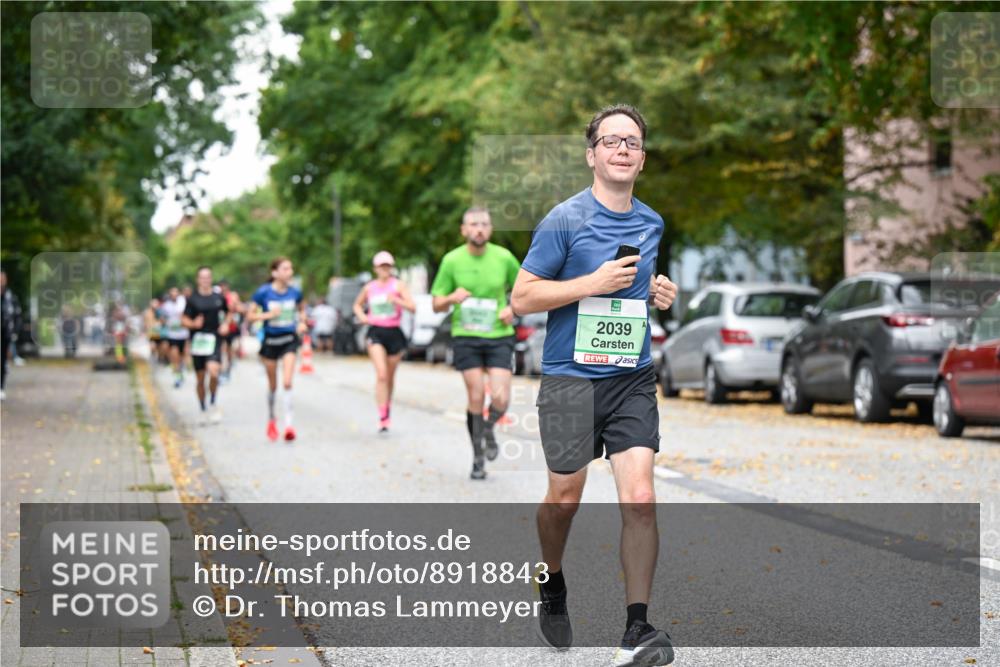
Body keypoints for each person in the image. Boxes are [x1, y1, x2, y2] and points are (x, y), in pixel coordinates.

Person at [510, 104, 679, 666]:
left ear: (643, 159)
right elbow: (523, 297)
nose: (622, 149)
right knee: (564, 499)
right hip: (569, 380)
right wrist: (590, 283)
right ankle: (551, 578)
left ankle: (637, 629)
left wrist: (657, 293)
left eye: (632, 142)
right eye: (611, 141)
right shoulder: (564, 219)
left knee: (641, 498)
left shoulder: (652, 222)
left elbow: (634, 289)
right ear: (591, 155)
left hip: (631, 378)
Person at [431, 207, 521, 480]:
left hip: (498, 334)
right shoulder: (451, 260)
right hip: (466, 335)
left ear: (490, 229)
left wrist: (513, 309)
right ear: (464, 230)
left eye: (484, 224)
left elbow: (524, 291)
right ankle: (478, 457)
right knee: (476, 396)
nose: (479, 229)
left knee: (501, 398)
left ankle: (488, 428)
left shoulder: (504, 257)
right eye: (473, 224)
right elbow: (436, 304)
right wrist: (451, 298)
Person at [353, 251, 416, 432]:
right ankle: (382, 415)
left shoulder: (398, 285)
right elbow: (357, 305)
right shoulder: (369, 287)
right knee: (381, 374)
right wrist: (362, 316)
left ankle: (387, 406)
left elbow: (413, 307)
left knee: (389, 376)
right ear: (375, 268)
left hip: (394, 332)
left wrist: (397, 300)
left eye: (387, 266)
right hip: (376, 331)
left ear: (391, 267)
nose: (384, 269)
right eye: (381, 266)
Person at [247, 257, 306, 442]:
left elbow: (302, 310)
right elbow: (250, 316)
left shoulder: (295, 292)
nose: (290, 272)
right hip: (270, 342)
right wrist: (268, 315)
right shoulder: (263, 292)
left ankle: (289, 425)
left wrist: (302, 322)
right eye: (285, 269)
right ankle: (272, 419)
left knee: (287, 382)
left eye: (291, 269)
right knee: (273, 385)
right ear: (275, 272)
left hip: (289, 340)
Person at [181, 266, 230, 424]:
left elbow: (229, 312)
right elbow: (183, 320)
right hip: (198, 341)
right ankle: (202, 408)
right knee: (200, 379)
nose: (205, 280)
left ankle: (213, 402)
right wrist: (193, 324)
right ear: (198, 279)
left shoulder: (219, 297)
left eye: (208, 277)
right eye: (202, 277)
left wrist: (225, 324)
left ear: (211, 278)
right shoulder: (192, 299)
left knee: (214, 372)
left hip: (214, 339)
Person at [160, 287, 189, 387]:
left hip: (184, 334)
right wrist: (165, 322)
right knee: (174, 355)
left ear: (178, 293)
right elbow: (162, 319)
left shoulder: (184, 303)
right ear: (170, 295)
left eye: (176, 292)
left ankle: (180, 371)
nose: (174, 294)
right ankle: (177, 377)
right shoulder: (166, 306)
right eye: (172, 293)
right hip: (172, 335)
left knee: (182, 356)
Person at [1, 270, 21, 401]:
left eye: (2, 278)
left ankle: (1, 387)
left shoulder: (10, 297)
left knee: (2, 361)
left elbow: (17, 316)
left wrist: (15, 332)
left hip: (5, 333)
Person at [218, 280, 243, 380]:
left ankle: (228, 368)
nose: (223, 289)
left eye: (225, 287)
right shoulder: (217, 296)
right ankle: (221, 369)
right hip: (219, 327)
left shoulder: (233, 296)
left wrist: (234, 306)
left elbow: (241, 308)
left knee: (228, 348)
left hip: (231, 327)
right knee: (221, 348)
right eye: (221, 287)